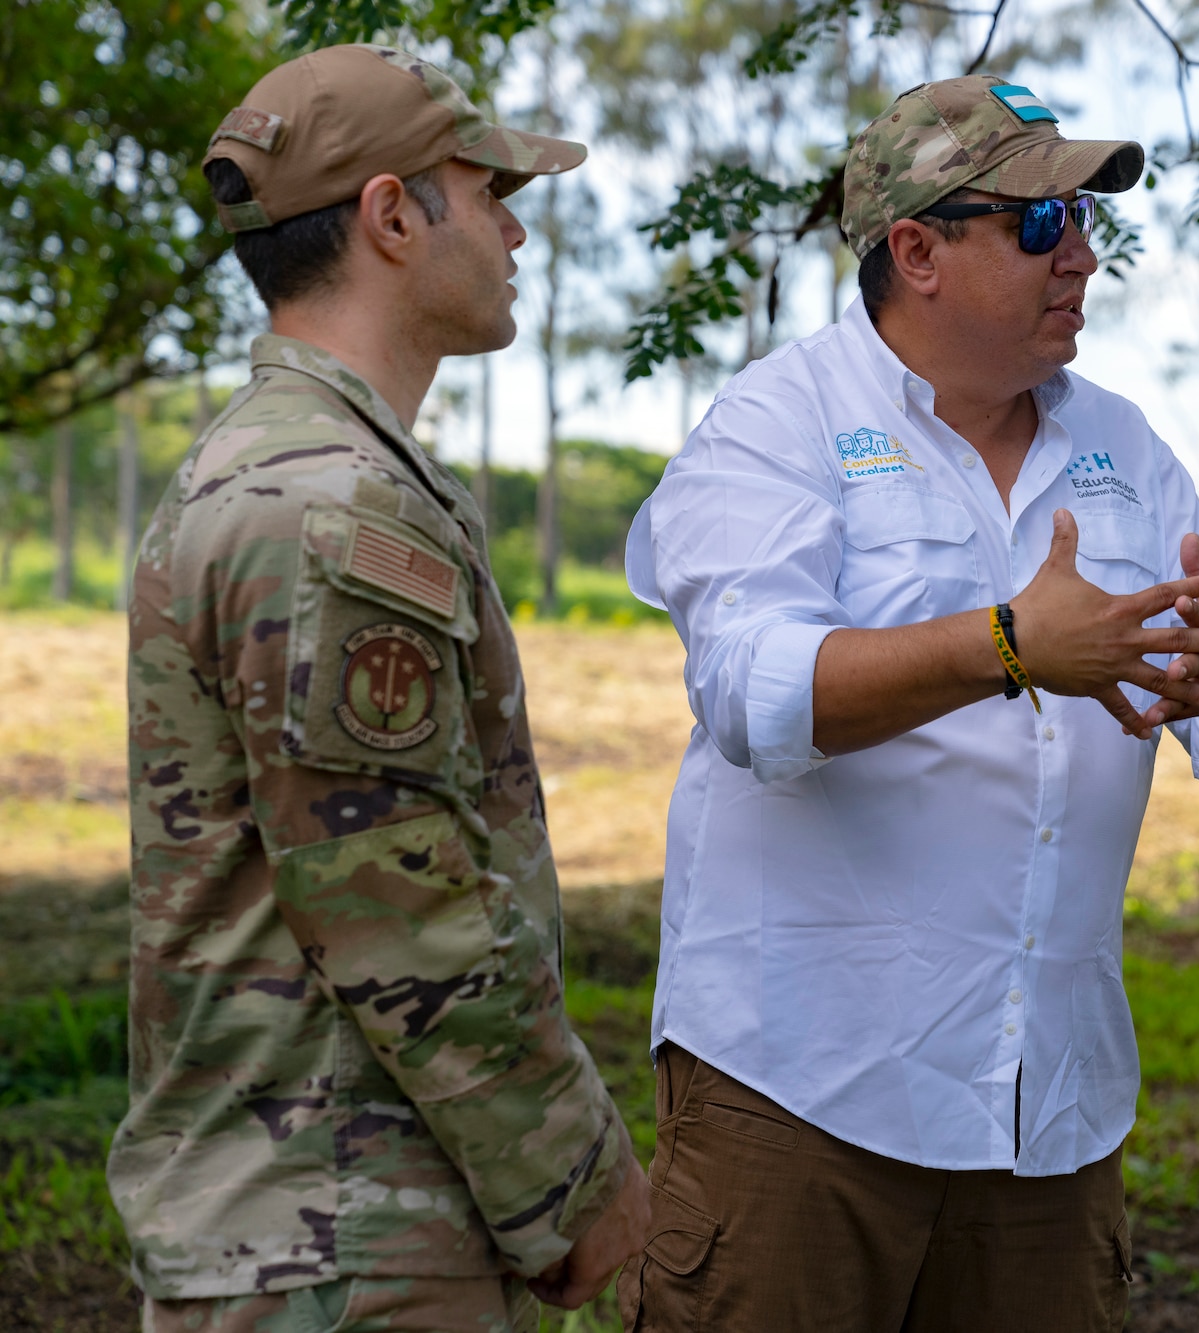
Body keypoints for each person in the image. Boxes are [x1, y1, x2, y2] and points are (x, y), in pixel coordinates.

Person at [619, 74, 1199, 1331]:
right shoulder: (779, 421)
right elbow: (750, 691)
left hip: (1043, 1107)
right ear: (917, 251)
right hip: (801, 1090)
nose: (1084, 259)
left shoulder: (1122, 445)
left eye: (1087, 224)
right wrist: (1006, 644)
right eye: (1042, 224)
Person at [118, 45, 650, 1332]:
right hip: (344, 1235)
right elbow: (400, 902)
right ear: (393, 216)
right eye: (489, 191)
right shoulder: (332, 504)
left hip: (304, 1224)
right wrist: (572, 1178)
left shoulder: (284, 470)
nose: (517, 228)